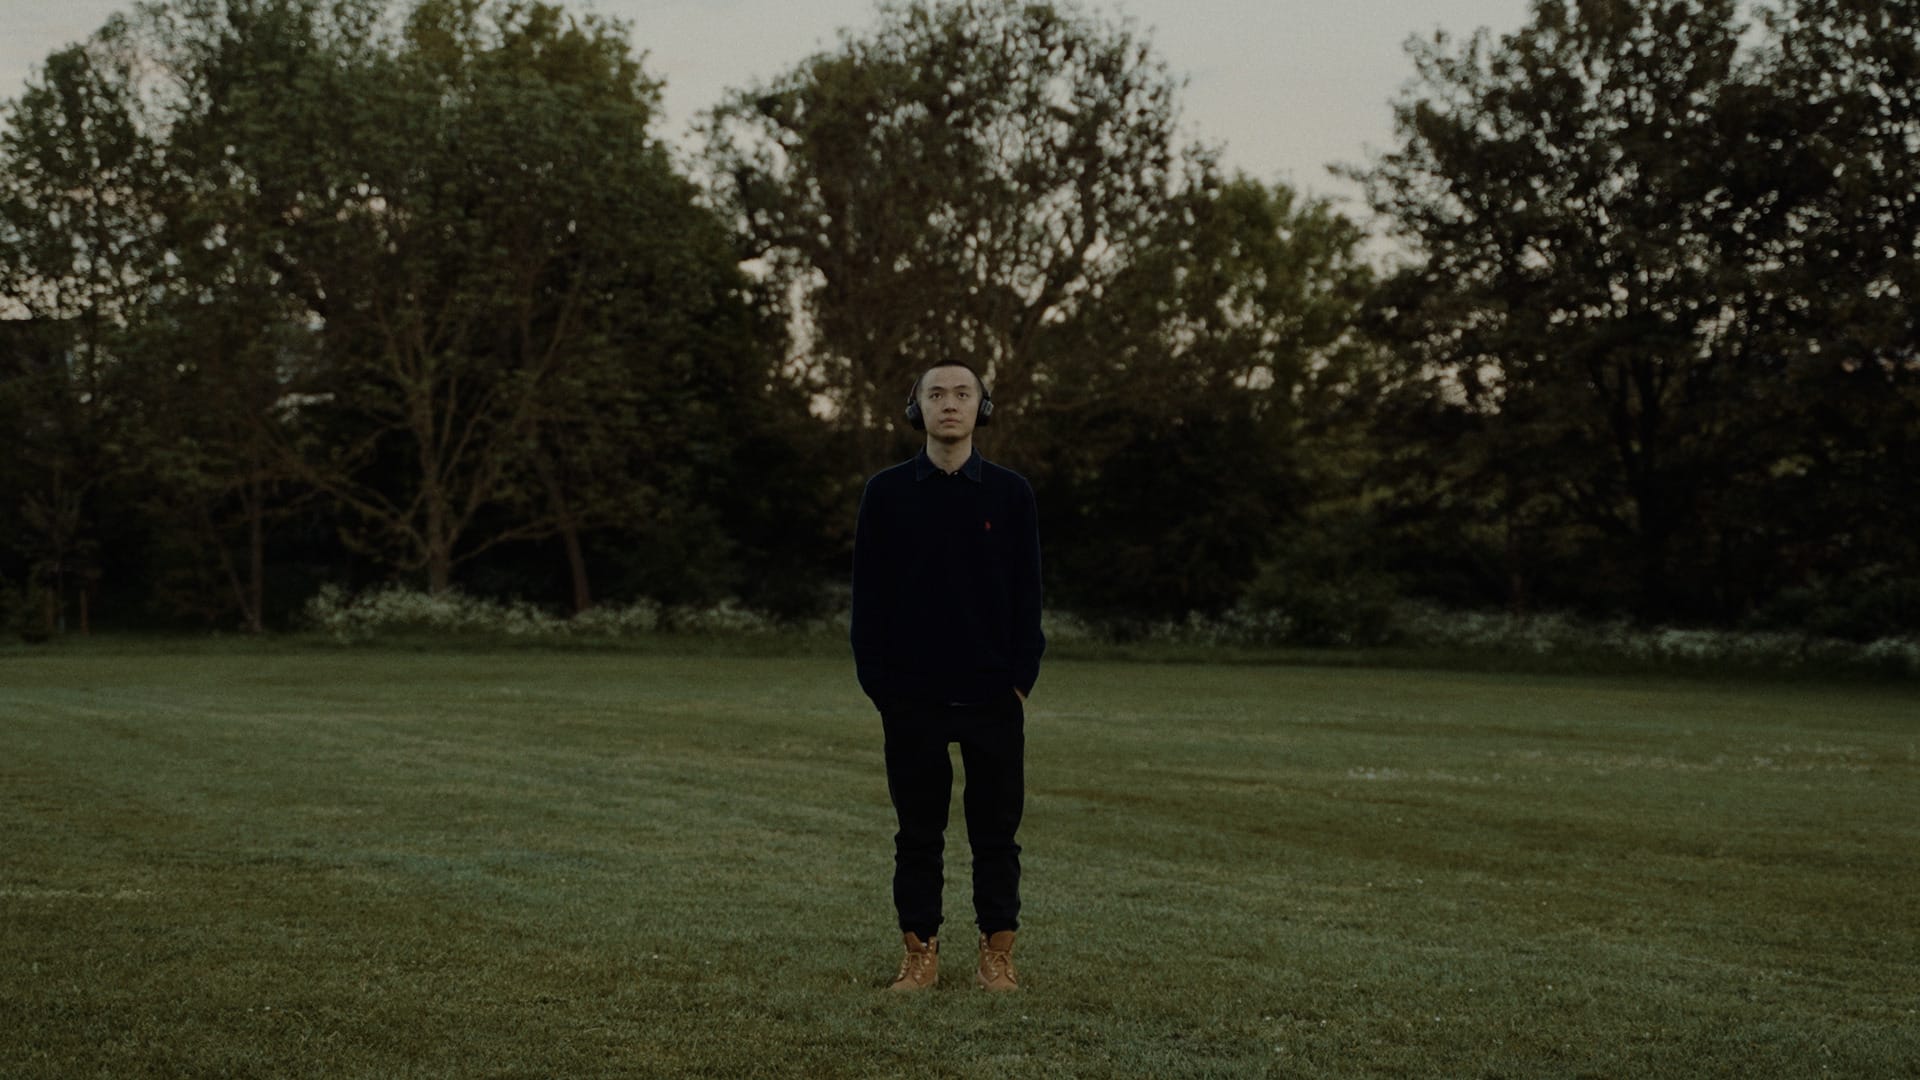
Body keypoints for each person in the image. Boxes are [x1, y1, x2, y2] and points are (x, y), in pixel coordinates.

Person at [850, 361, 1045, 993]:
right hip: (912, 696)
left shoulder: (1011, 493)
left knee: (996, 835)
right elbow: (868, 596)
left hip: (992, 693)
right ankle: (920, 954)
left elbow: (1028, 596)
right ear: (917, 409)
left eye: (964, 394)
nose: (950, 404)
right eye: (936, 395)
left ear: (982, 408)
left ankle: (997, 955)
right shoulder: (886, 492)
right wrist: (881, 685)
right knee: (917, 834)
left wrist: (1019, 680)